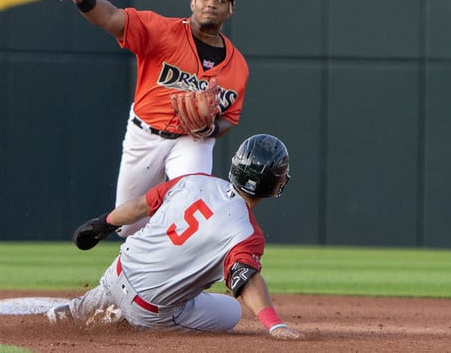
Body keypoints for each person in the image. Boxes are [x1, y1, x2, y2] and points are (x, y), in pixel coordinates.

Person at [48, 134, 304, 340]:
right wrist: (274, 325)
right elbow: (244, 279)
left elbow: (139, 206)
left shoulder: (193, 181)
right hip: (148, 312)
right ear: (273, 183)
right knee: (231, 311)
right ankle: (126, 318)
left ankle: (80, 310)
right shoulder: (247, 233)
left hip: (116, 273)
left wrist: (101, 224)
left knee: (112, 293)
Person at [58, 0, 249, 238]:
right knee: (128, 227)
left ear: (230, 10)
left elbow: (230, 118)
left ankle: (186, 270)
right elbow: (112, 18)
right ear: (192, 3)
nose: (211, 3)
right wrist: (83, 0)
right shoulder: (160, 30)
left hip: (192, 141)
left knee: (191, 204)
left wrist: (210, 130)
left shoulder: (237, 66)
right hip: (144, 134)